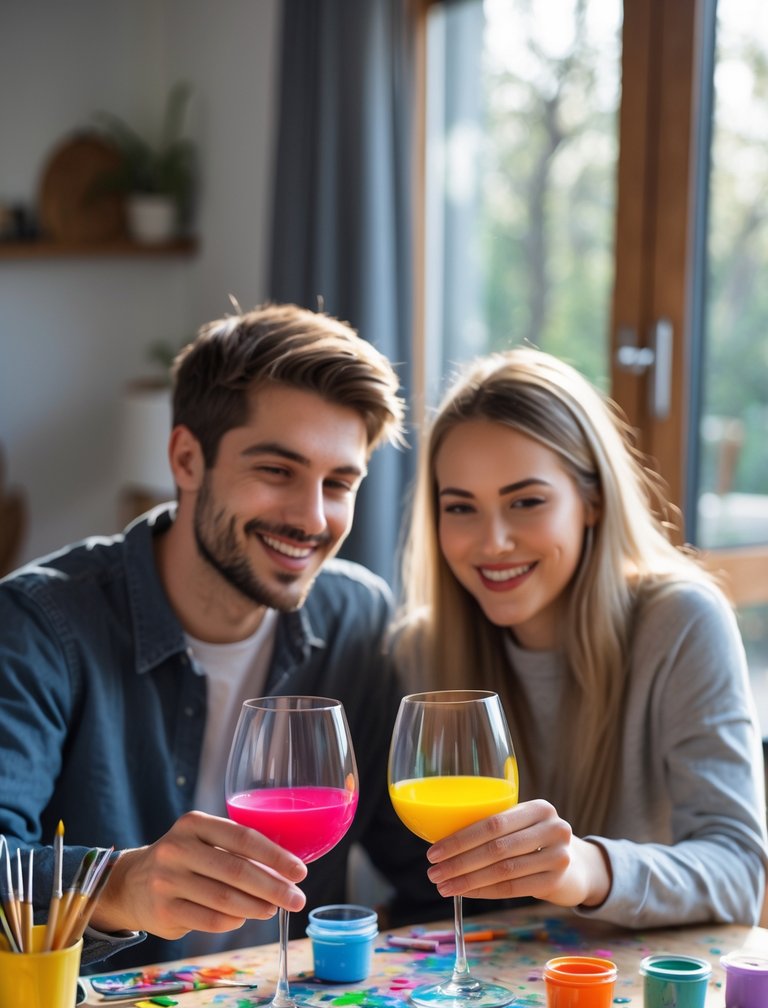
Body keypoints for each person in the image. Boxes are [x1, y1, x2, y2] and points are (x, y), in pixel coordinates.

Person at [0, 302, 431, 970]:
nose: (312, 517)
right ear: (186, 458)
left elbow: (421, 866)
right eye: (277, 471)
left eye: (339, 483)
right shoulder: (40, 626)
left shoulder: (359, 619)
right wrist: (115, 887)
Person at [394, 347, 768, 928]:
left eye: (526, 501)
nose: (492, 542)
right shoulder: (423, 649)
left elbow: (740, 871)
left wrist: (586, 870)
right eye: (461, 507)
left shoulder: (681, 624)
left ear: (591, 500)